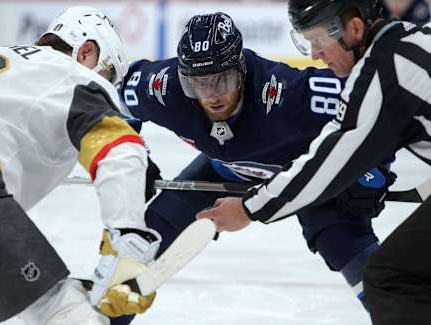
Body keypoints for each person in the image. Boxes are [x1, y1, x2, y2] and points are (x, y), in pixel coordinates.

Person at [119, 12, 396, 321]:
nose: (211, 96)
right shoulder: (163, 88)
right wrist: (132, 154)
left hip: (305, 177)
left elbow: (377, 108)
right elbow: (113, 95)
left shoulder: (290, 94)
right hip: (226, 169)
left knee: (344, 247)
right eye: (198, 83)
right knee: (146, 236)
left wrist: (372, 171)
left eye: (221, 80)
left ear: (241, 71)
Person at [196, 1, 431, 324]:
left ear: (355, 29)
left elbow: (328, 164)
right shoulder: (415, 38)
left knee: (391, 277)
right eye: (306, 42)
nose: (314, 55)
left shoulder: (381, 73)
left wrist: (251, 207)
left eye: (318, 40)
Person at [0, 6, 161, 325]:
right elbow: (120, 149)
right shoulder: (72, 74)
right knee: (64, 311)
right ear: (86, 52)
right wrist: (127, 248)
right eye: (107, 76)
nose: (106, 86)